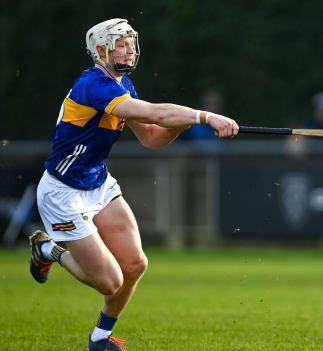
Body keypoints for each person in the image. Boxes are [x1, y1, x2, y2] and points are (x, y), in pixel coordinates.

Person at [28, 18, 238, 351]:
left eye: (130, 43)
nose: (129, 49)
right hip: (62, 193)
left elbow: (153, 138)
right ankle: (48, 249)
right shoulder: (93, 85)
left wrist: (185, 125)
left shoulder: (123, 85)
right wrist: (205, 117)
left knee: (135, 265)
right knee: (110, 281)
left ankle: (99, 340)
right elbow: (156, 113)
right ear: (101, 50)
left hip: (98, 182)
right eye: (120, 44)